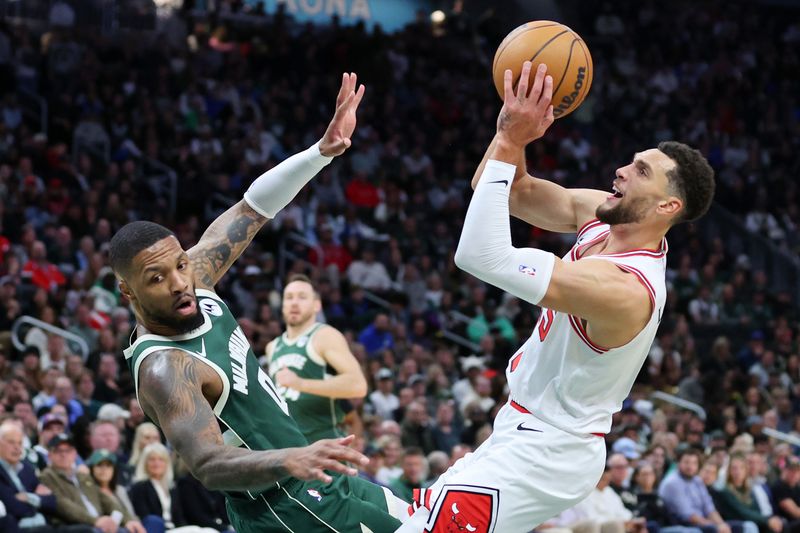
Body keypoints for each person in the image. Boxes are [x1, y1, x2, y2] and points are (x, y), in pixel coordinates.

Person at [398, 61, 715, 532]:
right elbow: (509, 190)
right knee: (418, 518)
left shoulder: (627, 290)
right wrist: (514, 134)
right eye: (631, 161)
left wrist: (510, 139)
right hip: (520, 423)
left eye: (641, 170)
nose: (621, 170)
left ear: (668, 206)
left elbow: (480, 257)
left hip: (553, 448)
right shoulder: (600, 215)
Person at [109, 73, 406, 533]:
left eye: (181, 267)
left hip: (315, 476)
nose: (177, 284)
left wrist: (320, 152)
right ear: (128, 293)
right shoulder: (165, 368)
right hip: (284, 508)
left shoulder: (193, 279)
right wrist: (293, 457)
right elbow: (207, 463)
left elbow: (252, 209)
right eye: (156, 278)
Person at [265, 274, 368, 442]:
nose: (294, 302)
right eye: (289, 297)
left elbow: (358, 385)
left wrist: (301, 384)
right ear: (282, 305)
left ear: (316, 305)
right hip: (289, 449)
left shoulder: (324, 336)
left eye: (302, 297)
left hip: (324, 446)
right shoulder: (272, 347)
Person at [39, 432, 145, 533]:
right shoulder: (46, 477)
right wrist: (95, 521)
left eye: (68, 450)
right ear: (49, 455)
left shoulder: (82, 476)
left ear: (75, 454)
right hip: (75, 527)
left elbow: (106, 500)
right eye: (58, 451)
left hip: (99, 523)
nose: (64, 455)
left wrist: (128, 520)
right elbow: (62, 505)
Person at [127, 442, 216, 533]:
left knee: (208, 531)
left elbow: (179, 518)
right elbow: (146, 517)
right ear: (145, 463)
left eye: (161, 459)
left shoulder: (172, 487)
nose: (156, 463)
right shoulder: (139, 487)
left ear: (166, 463)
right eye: (152, 459)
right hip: (157, 529)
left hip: (174, 529)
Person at [0, 421, 57, 533]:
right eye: (11, 442)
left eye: (20, 443)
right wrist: (38, 500)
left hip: (40, 525)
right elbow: (12, 506)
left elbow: (52, 502)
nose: (17, 448)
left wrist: (29, 497)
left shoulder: (27, 469)